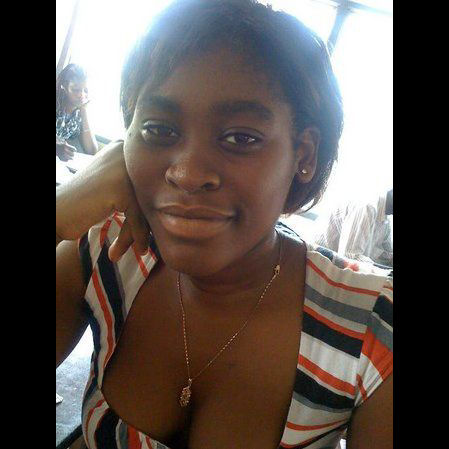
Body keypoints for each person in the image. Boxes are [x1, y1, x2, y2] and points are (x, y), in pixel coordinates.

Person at [56, 1, 393, 448]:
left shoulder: (369, 330)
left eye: (241, 137)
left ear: (304, 155)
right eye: (158, 129)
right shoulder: (105, 250)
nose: (188, 174)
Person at [314, 189, 393, 268]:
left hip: (336, 267)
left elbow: (386, 255)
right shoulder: (367, 207)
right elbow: (350, 256)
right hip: (319, 263)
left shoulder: (385, 219)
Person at [56, 63, 98, 161]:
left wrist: (84, 111)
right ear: (64, 87)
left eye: (86, 90)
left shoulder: (77, 115)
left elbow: (92, 151)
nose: (81, 95)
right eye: (75, 90)